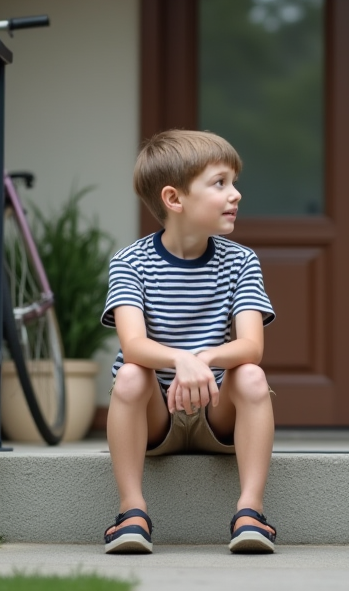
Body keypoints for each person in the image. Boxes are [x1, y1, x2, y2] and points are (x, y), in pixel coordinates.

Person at [101, 129, 278, 555]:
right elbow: (133, 342)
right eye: (220, 183)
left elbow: (251, 345)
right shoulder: (131, 262)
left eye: (234, 182)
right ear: (174, 199)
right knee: (129, 376)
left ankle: (250, 512)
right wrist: (181, 360)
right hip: (155, 416)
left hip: (216, 412)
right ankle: (132, 512)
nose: (235, 194)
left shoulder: (240, 260)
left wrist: (205, 359)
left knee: (252, 376)